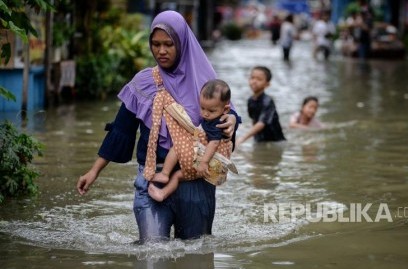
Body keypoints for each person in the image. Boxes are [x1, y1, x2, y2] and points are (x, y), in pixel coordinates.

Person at [76, 10, 240, 242]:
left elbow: (225, 119)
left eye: (168, 44)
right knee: (152, 254)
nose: (161, 51)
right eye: (155, 44)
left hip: (195, 182)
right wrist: (94, 171)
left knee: (195, 259)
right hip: (152, 176)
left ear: (182, 43)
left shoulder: (205, 83)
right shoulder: (144, 82)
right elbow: (121, 130)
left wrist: (233, 119)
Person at [148, 79, 232, 202]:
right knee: (177, 176)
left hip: (208, 163)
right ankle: (162, 193)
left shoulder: (217, 125)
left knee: (177, 147)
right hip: (215, 168)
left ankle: (165, 174)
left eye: (211, 111)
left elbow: (214, 144)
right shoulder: (218, 118)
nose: (205, 114)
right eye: (202, 108)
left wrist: (203, 162)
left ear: (225, 110)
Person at [236, 66, 286, 145]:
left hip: (275, 140)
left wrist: (242, 139)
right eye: (252, 78)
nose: (254, 81)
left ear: (267, 84)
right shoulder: (250, 101)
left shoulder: (268, 101)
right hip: (260, 139)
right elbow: (254, 120)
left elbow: (261, 123)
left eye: (259, 79)